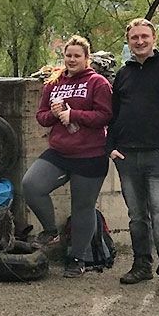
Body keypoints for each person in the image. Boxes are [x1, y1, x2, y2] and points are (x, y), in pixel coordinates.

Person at [107, 18, 159, 296]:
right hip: (127, 156)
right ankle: (141, 265)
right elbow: (114, 113)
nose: (140, 41)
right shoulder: (123, 74)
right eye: (134, 37)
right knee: (136, 217)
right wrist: (112, 147)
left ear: (153, 38)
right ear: (128, 41)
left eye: (144, 36)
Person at [22, 35, 112, 278]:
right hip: (59, 152)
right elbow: (41, 117)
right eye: (68, 55)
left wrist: (74, 115)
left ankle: (77, 258)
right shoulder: (54, 82)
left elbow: (105, 116)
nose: (72, 59)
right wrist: (53, 114)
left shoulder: (98, 82)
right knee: (31, 185)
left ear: (86, 58)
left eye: (77, 56)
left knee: (82, 207)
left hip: (90, 154)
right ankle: (51, 230)